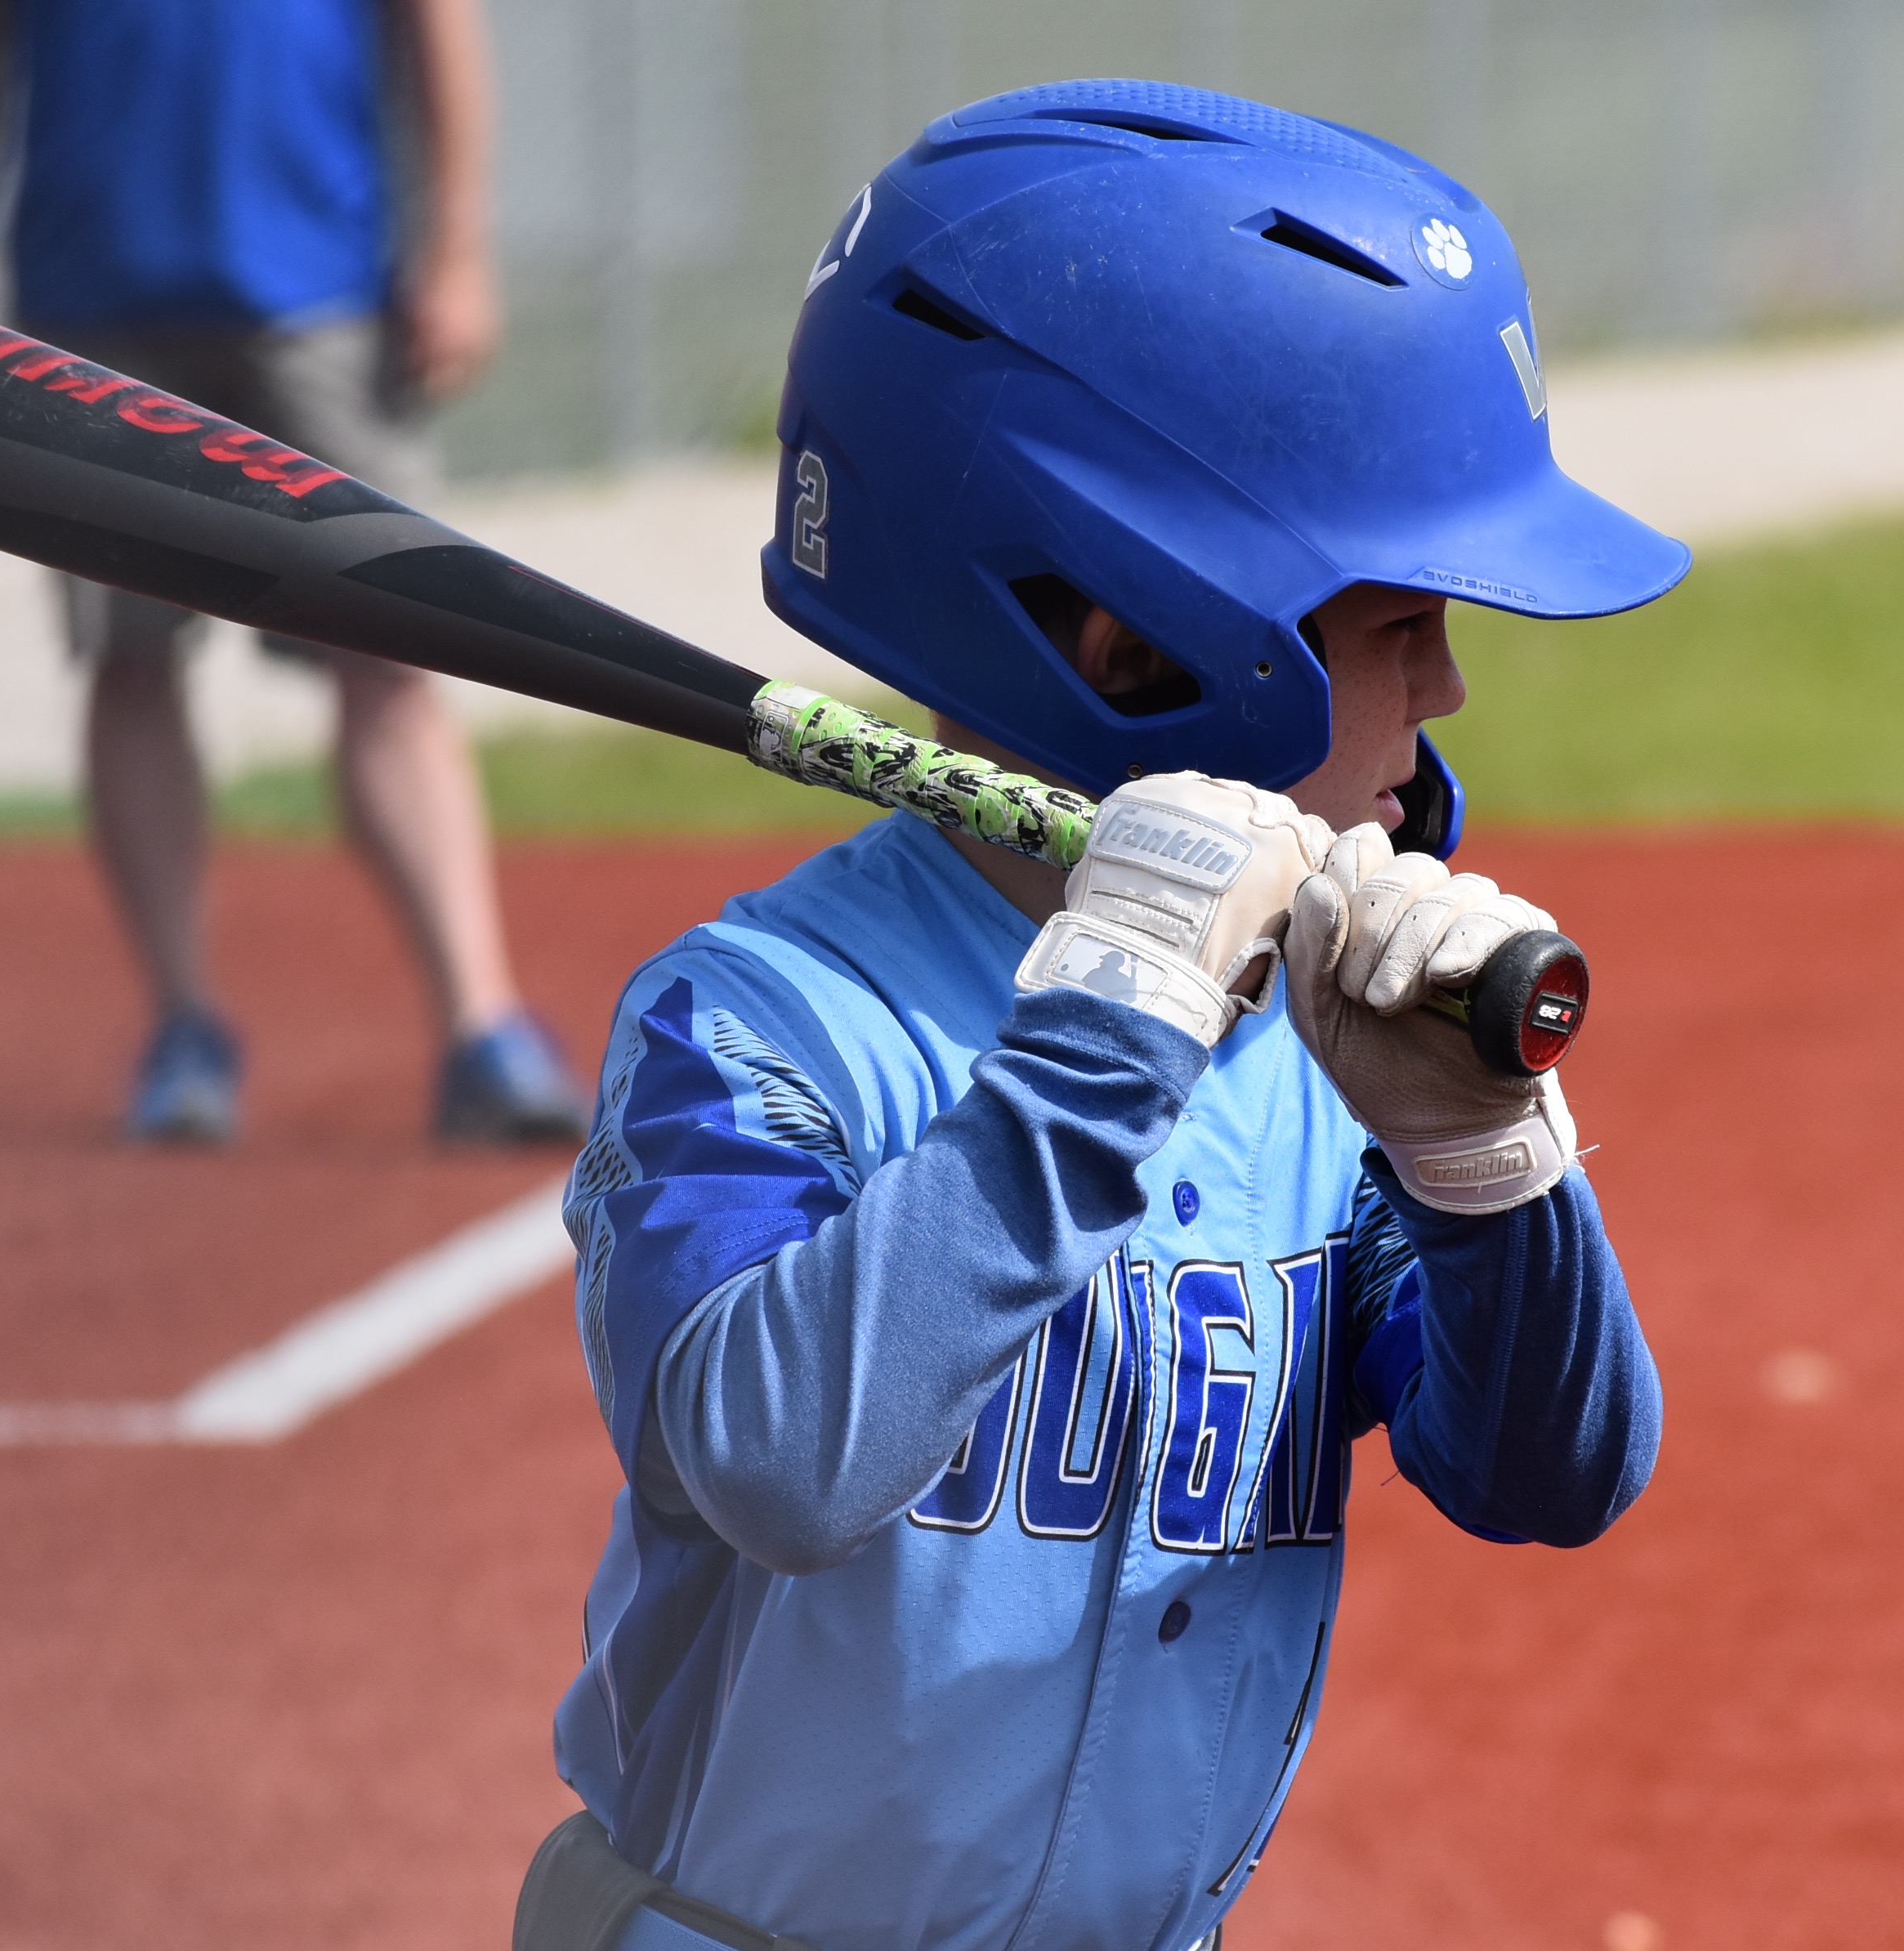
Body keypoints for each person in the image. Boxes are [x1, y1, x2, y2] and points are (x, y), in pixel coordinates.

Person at [528, 81, 1683, 1951]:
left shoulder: (1338, 1054)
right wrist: (1117, 1021)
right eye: (1393, 629)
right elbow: (775, 1460)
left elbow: (1547, 1476)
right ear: (1133, 633)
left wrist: (1477, 1160)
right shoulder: (758, 1026)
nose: (1451, 686)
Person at [0, 0, 589, 1145]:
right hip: (91, 315)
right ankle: (185, 1031)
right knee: (130, 661)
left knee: (395, 654)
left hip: (318, 299)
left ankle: (481, 1029)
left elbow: (438, 26)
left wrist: (457, 248)